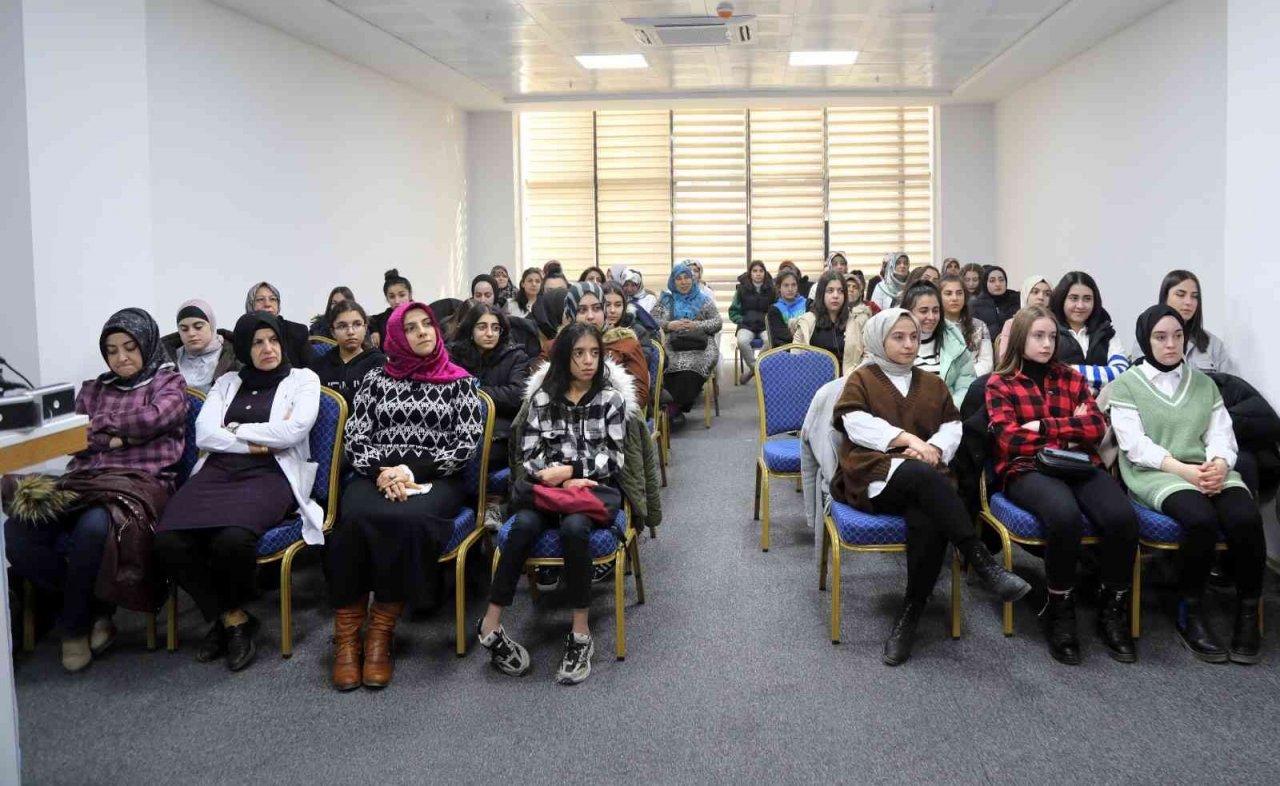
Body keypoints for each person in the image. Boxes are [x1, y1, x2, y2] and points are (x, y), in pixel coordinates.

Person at [830, 309, 1030, 666]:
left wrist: (934, 448)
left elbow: (953, 426)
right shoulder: (861, 379)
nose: (909, 344)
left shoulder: (932, 383)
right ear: (880, 339)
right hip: (874, 476)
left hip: (926, 478)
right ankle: (980, 560)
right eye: (899, 337)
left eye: (913, 337)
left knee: (927, 511)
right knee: (927, 480)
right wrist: (907, 440)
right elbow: (854, 423)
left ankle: (911, 612)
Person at [5, 308, 186, 672]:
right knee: (17, 531)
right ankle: (93, 611)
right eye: (112, 350)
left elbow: (155, 417)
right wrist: (116, 438)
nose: (121, 358)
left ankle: (73, 628)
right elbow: (73, 439)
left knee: (93, 526)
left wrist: (102, 433)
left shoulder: (169, 383)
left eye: (130, 347)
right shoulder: (93, 388)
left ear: (147, 345)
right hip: (85, 482)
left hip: (139, 486)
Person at [326, 302, 483, 690]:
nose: (423, 332)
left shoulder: (460, 381)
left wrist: (410, 471)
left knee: (407, 519)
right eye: (411, 328)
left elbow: (464, 446)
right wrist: (383, 473)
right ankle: (346, 637)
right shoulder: (375, 380)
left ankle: (381, 632)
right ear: (397, 337)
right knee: (355, 517)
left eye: (427, 324)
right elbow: (356, 438)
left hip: (436, 478)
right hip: (376, 474)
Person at [155, 312, 323, 672]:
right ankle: (233, 618)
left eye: (273, 340)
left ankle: (225, 619)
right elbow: (205, 434)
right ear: (245, 348)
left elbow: (293, 432)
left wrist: (233, 428)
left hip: (273, 474)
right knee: (167, 539)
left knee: (232, 539)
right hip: (218, 472)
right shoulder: (227, 382)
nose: (267, 348)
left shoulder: (303, 379)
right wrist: (255, 441)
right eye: (258, 342)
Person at [1108, 305, 1264, 664]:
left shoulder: (1204, 383)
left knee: (1245, 518)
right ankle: (1189, 612)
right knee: (1200, 520)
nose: (1171, 344)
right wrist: (1186, 472)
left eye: (1178, 336)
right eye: (1160, 337)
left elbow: (1221, 434)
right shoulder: (1128, 384)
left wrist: (1219, 464)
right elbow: (1135, 446)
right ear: (1146, 341)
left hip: (1208, 468)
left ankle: (1247, 612)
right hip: (1156, 472)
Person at [477, 322, 629, 685]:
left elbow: (615, 458)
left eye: (594, 353)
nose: (588, 361)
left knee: (575, 528)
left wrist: (573, 470)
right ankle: (490, 625)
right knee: (524, 526)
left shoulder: (611, 400)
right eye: (579, 353)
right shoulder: (542, 399)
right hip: (547, 491)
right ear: (564, 357)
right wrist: (555, 475)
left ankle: (580, 635)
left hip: (589, 492)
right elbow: (528, 456)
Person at [986, 305, 1139, 664]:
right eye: (1038, 336)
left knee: (1122, 517)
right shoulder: (1000, 382)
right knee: (1064, 516)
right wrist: (1069, 427)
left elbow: (1096, 427)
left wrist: (1042, 427)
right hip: (1025, 470)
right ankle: (1060, 609)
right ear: (1021, 337)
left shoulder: (1069, 377)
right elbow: (1009, 441)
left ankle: (1111, 608)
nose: (1047, 343)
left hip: (1078, 464)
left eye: (1052, 337)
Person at [449, 303, 530, 473]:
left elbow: (516, 395)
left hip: (498, 433)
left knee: (474, 456)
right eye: (482, 327)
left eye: (495, 328)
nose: (489, 334)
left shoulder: (515, 356)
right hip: (457, 428)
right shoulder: (454, 354)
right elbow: (447, 392)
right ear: (470, 330)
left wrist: (472, 392)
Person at [653, 262, 722, 420]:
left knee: (692, 367)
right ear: (673, 281)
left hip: (701, 345)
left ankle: (675, 408)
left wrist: (696, 325)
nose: (683, 282)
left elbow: (717, 322)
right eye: (679, 279)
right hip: (673, 343)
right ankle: (676, 407)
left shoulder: (704, 300)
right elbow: (651, 321)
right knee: (669, 364)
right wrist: (669, 324)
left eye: (687, 278)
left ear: (693, 279)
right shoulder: (666, 301)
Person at [567, 281, 649, 410]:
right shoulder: (557, 346)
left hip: (613, 417)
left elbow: (639, 395)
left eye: (597, 308)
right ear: (571, 312)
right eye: (582, 310)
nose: (590, 316)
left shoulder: (626, 344)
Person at [899, 281, 976, 407]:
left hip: (949, 414)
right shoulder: (892, 343)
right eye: (924, 311)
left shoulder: (954, 341)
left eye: (936, 310)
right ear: (908, 312)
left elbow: (966, 384)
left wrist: (948, 410)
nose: (931, 317)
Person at [1049, 271, 1128, 391]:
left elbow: (1120, 372)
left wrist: (1067, 371)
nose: (1080, 305)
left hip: (1101, 407)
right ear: (1061, 299)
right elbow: (1047, 372)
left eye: (1087, 299)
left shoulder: (1107, 332)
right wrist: (1100, 379)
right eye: (1073, 298)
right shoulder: (1048, 331)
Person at [1148, 270, 1235, 373]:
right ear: (1165, 297)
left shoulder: (1213, 344)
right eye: (1180, 294)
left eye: (1194, 296)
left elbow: (1233, 385)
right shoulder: (1147, 337)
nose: (1188, 302)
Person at [307, 299, 385, 411]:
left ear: (365, 328)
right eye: (342, 326)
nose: (350, 332)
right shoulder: (319, 365)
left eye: (357, 324)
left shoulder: (378, 363)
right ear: (333, 332)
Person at [791, 271, 872, 375]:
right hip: (814, 383)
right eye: (830, 291)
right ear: (821, 293)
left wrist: (856, 375)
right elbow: (795, 360)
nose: (836, 296)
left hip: (847, 382)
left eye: (840, 291)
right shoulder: (806, 323)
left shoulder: (855, 322)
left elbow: (868, 355)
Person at [161, 299, 240, 393]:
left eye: (198, 327)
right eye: (184, 329)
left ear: (211, 325)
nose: (191, 333)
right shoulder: (166, 359)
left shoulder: (235, 355)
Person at [244, 281, 313, 367]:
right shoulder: (244, 333)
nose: (267, 304)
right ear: (250, 305)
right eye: (260, 299)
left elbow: (311, 368)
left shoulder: (297, 331)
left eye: (272, 299)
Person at [728, 260, 775, 383]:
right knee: (742, 341)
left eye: (761, 271)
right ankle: (757, 369)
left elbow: (776, 309)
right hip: (746, 325)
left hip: (765, 326)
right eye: (755, 271)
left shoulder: (772, 289)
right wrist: (742, 320)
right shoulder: (741, 289)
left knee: (770, 341)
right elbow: (733, 311)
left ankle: (752, 371)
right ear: (750, 273)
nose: (758, 274)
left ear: (765, 273)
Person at [939, 274, 993, 376]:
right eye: (948, 293)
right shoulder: (934, 326)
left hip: (973, 380)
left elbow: (986, 363)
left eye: (959, 293)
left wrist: (966, 378)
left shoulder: (979, 326)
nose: (954, 298)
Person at [995, 274, 1052, 362]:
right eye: (1035, 292)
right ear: (1025, 295)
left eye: (1047, 294)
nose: (1041, 297)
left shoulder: (1053, 324)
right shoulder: (1012, 324)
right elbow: (1004, 357)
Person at [969, 265, 1020, 337]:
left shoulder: (1016, 299)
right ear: (985, 283)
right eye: (992, 281)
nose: (998, 284)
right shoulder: (975, 305)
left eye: (1001, 280)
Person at [369, 269, 414, 348]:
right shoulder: (384, 318)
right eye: (392, 297)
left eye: (402, 295)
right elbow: (369, 319)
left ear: (409, 295)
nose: (397, 301)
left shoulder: (421, 314)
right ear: (387, 299)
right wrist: (374, 330)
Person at [602, 281, 653, 347]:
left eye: (618, 305)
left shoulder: (637, 331)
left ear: (624, 306)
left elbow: (645, 354)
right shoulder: (593, 330)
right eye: (607, 305)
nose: (612, 310)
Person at [765, 269, 809, 345]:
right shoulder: (775, 309)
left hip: (808, 348)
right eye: (786, 285)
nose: (790, 289)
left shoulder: (807, 304)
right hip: (786, 351)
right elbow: (779, 338)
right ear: (779, 287)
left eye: (793, 285)